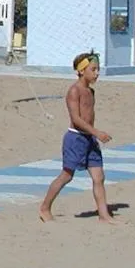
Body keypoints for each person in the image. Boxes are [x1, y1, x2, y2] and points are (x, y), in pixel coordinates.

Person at [38, 52, 115, 224]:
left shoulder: (90, 91)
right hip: (76, 139)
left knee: (99, 177)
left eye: (98, 70)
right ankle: (45, 207)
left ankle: (104, 215)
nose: (97, 73)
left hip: (90, 140)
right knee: (66, 175)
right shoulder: (74, 91)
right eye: (93, 69)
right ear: (81, 71)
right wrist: (97, 132)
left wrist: (93, 135)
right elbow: (77, 119)